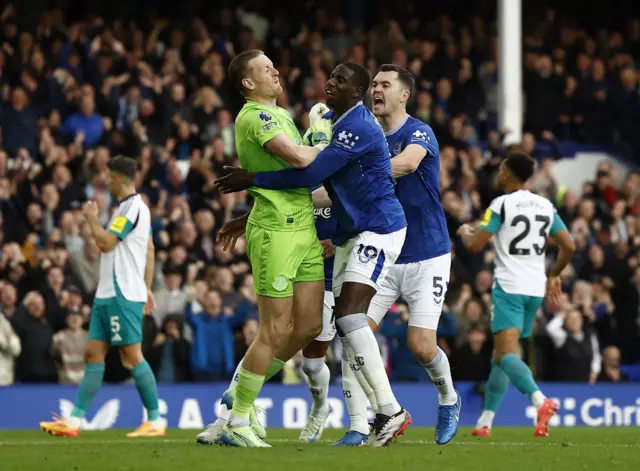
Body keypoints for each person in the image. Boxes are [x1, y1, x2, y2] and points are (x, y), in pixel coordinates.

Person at [216, 61, 411, 447]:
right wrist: (250, 212)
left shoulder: (355, 126)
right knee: (325, 325)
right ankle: (364, 416)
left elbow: (309, 174)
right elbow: (313, 182)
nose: (330, 83)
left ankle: (387, 410)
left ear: (356, 94)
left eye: (340, 80)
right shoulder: (332, 123)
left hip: (378, 228)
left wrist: (252, 179)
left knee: (350, 317)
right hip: (346, 233)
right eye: (331, 76)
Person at [197, 49, 328, 448]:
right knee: (274, 329)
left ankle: (240, 395)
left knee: (309, 326)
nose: (275, 70)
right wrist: (322, 139)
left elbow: (289, 174)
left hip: (303, 227)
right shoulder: (257, 116)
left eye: (275, 64)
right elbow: (301, 161)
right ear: (248, 83)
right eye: (265, 68)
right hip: (277, 233)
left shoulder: (280, 115)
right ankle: (238, 419)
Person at [325, 64, 460, 446]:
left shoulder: (419, 132)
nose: (376, 90)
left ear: (404, 95)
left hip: (427, 253)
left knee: (420, 344)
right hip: (382, 250)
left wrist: (353, 170)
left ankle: (449, 398)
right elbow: (331, 191)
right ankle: (367, 420)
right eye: (374, 84)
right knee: (354, 332)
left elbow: (407, 163)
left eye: (386, 85)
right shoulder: (363, 134)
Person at [40, 156, 163, 438]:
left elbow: (106, 244)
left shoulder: (131, 208)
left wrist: (93, 220)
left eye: (108, 176)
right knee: (92, 354)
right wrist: (146, 287)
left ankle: (155, 419)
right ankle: (73, 421)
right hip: (109, 293)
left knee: (131, 356)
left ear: (118, 178)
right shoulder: (129, 209)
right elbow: (150, 248)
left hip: (121, 294)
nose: (105, 180)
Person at [457, 151, 576, 437]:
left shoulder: (500, 205)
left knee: (507, 354)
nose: (498, 173)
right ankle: (485, 421)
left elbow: (476, 245)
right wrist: (554, 273)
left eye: (501, 169)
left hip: (508, 287)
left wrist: (464, 232)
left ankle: (540, 401)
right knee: (501, 356)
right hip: (535, 289)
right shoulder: (546, 206)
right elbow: (569, 245)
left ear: (510, 174)